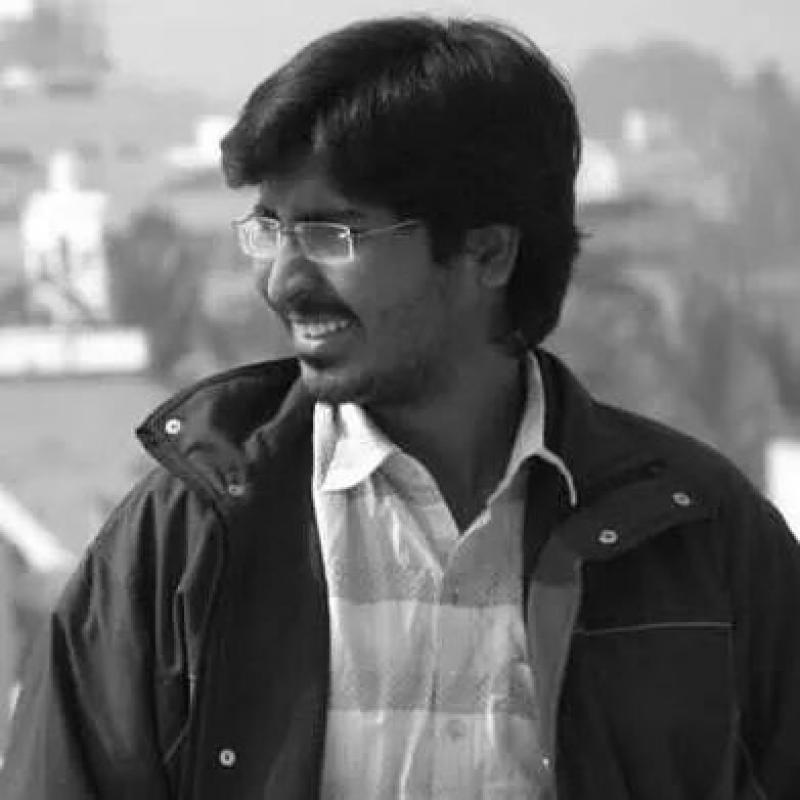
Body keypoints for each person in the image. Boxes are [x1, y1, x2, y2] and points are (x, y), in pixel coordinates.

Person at [2, 15, 800, 800]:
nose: (282, 281)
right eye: (271, 229)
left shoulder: (702, 539)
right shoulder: (183, 542)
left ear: (488, 251)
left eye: (332, 235)